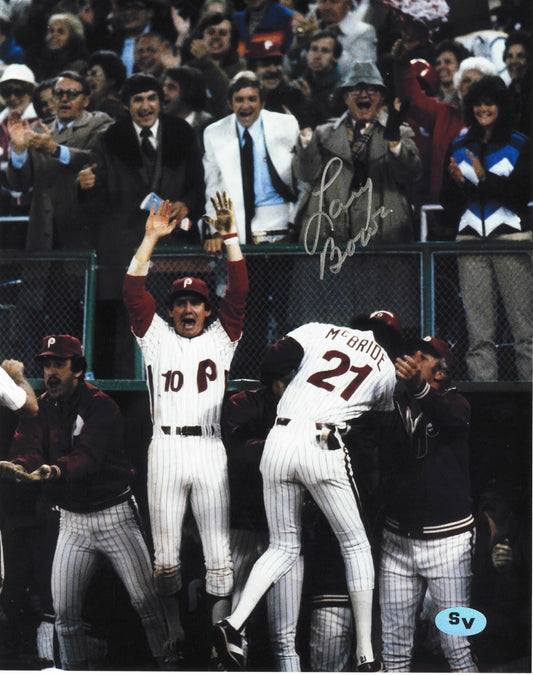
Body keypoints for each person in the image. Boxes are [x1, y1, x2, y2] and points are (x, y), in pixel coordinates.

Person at [211, 313, 399, 672]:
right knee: (357, 545)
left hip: (278, 439)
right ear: (389, 339)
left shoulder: (320, 330)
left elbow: (274, 360)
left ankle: (232, 625)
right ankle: (366, 653)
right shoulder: (385, 365)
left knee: (282, 546)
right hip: (323, 441)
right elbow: (382, 427)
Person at [122, 195, 248, 663]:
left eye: (196, 301)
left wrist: (231, 238)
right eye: (180, 303)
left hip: (210, 447)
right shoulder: (155, 338)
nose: (189, 308)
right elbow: (134, 289)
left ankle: (220, 637)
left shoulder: (222, 338)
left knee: (219, 555)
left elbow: (238, 292)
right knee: (165, 557)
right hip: (166, 449)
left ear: (207, 310)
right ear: (171, 311)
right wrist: (152, 238)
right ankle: (175, 630)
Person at [0, 334, 168, 669]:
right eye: (47, 364)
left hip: (114, 515)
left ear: (77, 369)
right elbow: (28, 448)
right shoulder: (44, 405)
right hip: (72, 521)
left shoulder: (101, 404)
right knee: (65, 613)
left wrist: (52, 471)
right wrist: (23, 466)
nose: (51, 371)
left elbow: (88, 458)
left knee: (146, 603)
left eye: (59, 364)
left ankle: (169, 664)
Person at [77, 72, 205, 377]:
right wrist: (86, 186)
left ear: (160, 101)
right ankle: (130, 398)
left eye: (151, 98)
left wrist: (187, 204)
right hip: (126, 250)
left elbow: (198, 186)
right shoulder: (110, 138)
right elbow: (96, 198)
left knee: (174, 321)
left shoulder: (182, 132)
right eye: (138, 100)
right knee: (128, 332)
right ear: (126, 105)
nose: (146, 106)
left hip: (173, 250)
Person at [378, 336, 478, 671]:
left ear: (439, 370)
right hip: (397, 543)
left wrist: (419, 389)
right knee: (393, 652)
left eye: (422, 357)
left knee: (457, 647)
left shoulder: (457, 402)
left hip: (448, 545)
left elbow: (447, 417)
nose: (411, 360)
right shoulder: (395, 402)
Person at [203, 70, 299, 378]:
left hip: (283, 228)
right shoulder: (214, 133)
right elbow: (213, 185)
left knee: (285, 306)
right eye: (239, 100)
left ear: (262, 101)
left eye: (251, 99)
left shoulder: (286, 125)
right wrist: (217, 227)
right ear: (230, 102)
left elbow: (302, 180)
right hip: (243, 234)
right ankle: (252, 377)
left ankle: (289, 371)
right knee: (252, 308)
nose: (246, 106)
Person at [440, 75, 532, 381]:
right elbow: (447, 202)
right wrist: (460, 185)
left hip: (511, 241)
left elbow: (522, 194)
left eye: (490, 103)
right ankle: (482, 402)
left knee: (525, 329)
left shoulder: (520, 144)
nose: (483, 109)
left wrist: (484, 179)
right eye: (478, 103)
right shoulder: (458, 146)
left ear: (502, 106)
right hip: (469, 244)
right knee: (478, 332)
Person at [246, 38, 317, 129]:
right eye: (265, 64)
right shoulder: (241, 98)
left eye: (277, 63)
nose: (273, 70)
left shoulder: (295, 96)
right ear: (252, 69)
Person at [0, 64, 38, 216]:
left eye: (19, 92)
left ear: (30, 93)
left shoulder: (41, 122)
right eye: (7, 92)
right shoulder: (1, 121)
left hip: (33, 199)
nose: (12, 98)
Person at [289, 29, 344, 125]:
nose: (317, 56)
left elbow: (333, 125)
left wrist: (310, 101)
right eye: (314, 49)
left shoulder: (341, 89)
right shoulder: (300, 82)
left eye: (325, 51)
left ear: (335, 57)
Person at [25, 13, 89, 82]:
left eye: (60, 32)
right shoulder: (39, 61)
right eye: (51, 31)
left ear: (73, 37)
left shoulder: (79, 66)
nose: (53, 36)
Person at [162, 65, 214, 149]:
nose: (164, 92)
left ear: (188, 92)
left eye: (171, 87)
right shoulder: (158, 125)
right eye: (164, 86)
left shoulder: (209, 128)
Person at [85, 50, 129, 121]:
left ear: (111, 80)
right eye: (88, 74)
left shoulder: (111, 109)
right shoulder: (92, 106)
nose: (88, 79)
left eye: (94, 74)